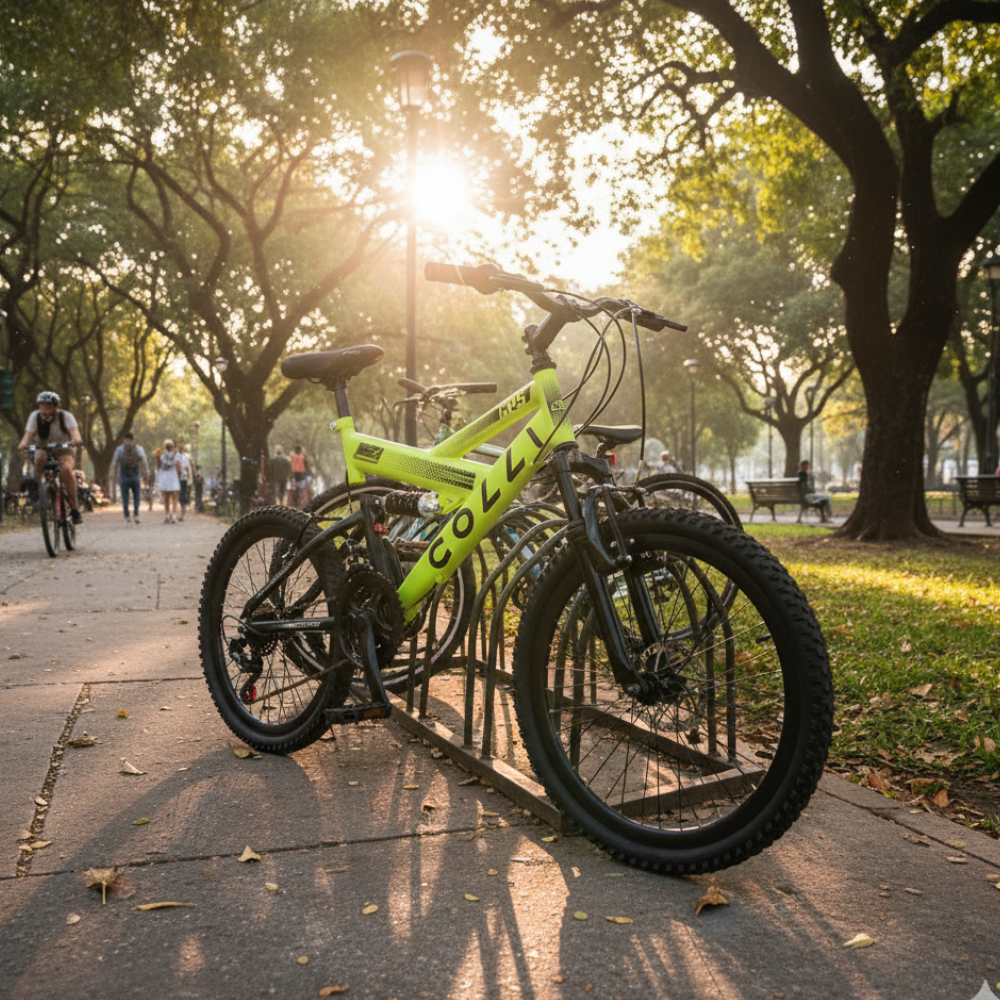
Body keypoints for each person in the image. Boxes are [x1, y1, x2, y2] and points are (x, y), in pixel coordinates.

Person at [17, 390, 84, 524]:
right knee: (38, 458)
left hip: (64, 449)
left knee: (66, 469)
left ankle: (74, 509)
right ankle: (42, 493)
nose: (45, 408)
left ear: (55, 406)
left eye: (48, 405)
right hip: (43, 448)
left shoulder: (66, 416)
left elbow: (75, 434)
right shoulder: (34, 417)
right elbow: (28, 436)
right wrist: (22, 445)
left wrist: (75, 440)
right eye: (42, 405)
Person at [111, 431, 149, 525]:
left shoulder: (119, 449)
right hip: (135, 476)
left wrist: (113, 477)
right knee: (137, 497)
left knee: (125, 498)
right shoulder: (139, 449)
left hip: (123, 476)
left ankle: (127, 516)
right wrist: (146, 476)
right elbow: (144, 463)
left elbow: (114, 464)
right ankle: (136, 514)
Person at [157, 439, 182, 523]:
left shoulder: (176, 454)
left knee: (173, 496)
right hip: (166, 475)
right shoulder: (162, 454)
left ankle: (173, 514)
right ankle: (168, 514)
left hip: (172, 475)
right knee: (167, 497)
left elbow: (178, 465)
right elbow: (167, 463)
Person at [177, 443, 193, 522]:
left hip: (182, 479)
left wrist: (189, 479)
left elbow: (188, 468)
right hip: (175, 479)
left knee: (182, 496)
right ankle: (177, 513)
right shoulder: (175, 457)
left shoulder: (184, 458)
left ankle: (183, 512)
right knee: (178, 497)